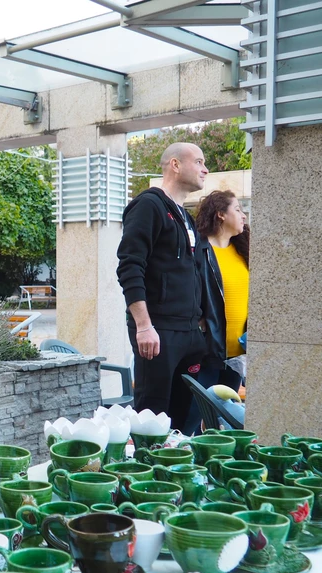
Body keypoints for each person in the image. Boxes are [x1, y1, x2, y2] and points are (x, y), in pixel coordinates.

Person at [116, 142, 209, 432]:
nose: (206, 169)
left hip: (190, 334)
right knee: (151, 419)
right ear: (175, 165)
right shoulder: (148, 205)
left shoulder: (186, 217)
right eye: (199, 162)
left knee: (182, 422)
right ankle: (144, 474)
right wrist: (144, 325)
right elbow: (129, 266)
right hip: (158, 333)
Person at [185, 190, 249, 432]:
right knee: (194, 417)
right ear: (221, 214)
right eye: (238, 210)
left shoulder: (243, 250)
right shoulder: (199, 251)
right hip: (207, 352)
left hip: (237, 356)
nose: (243, 216)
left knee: (227, 421)